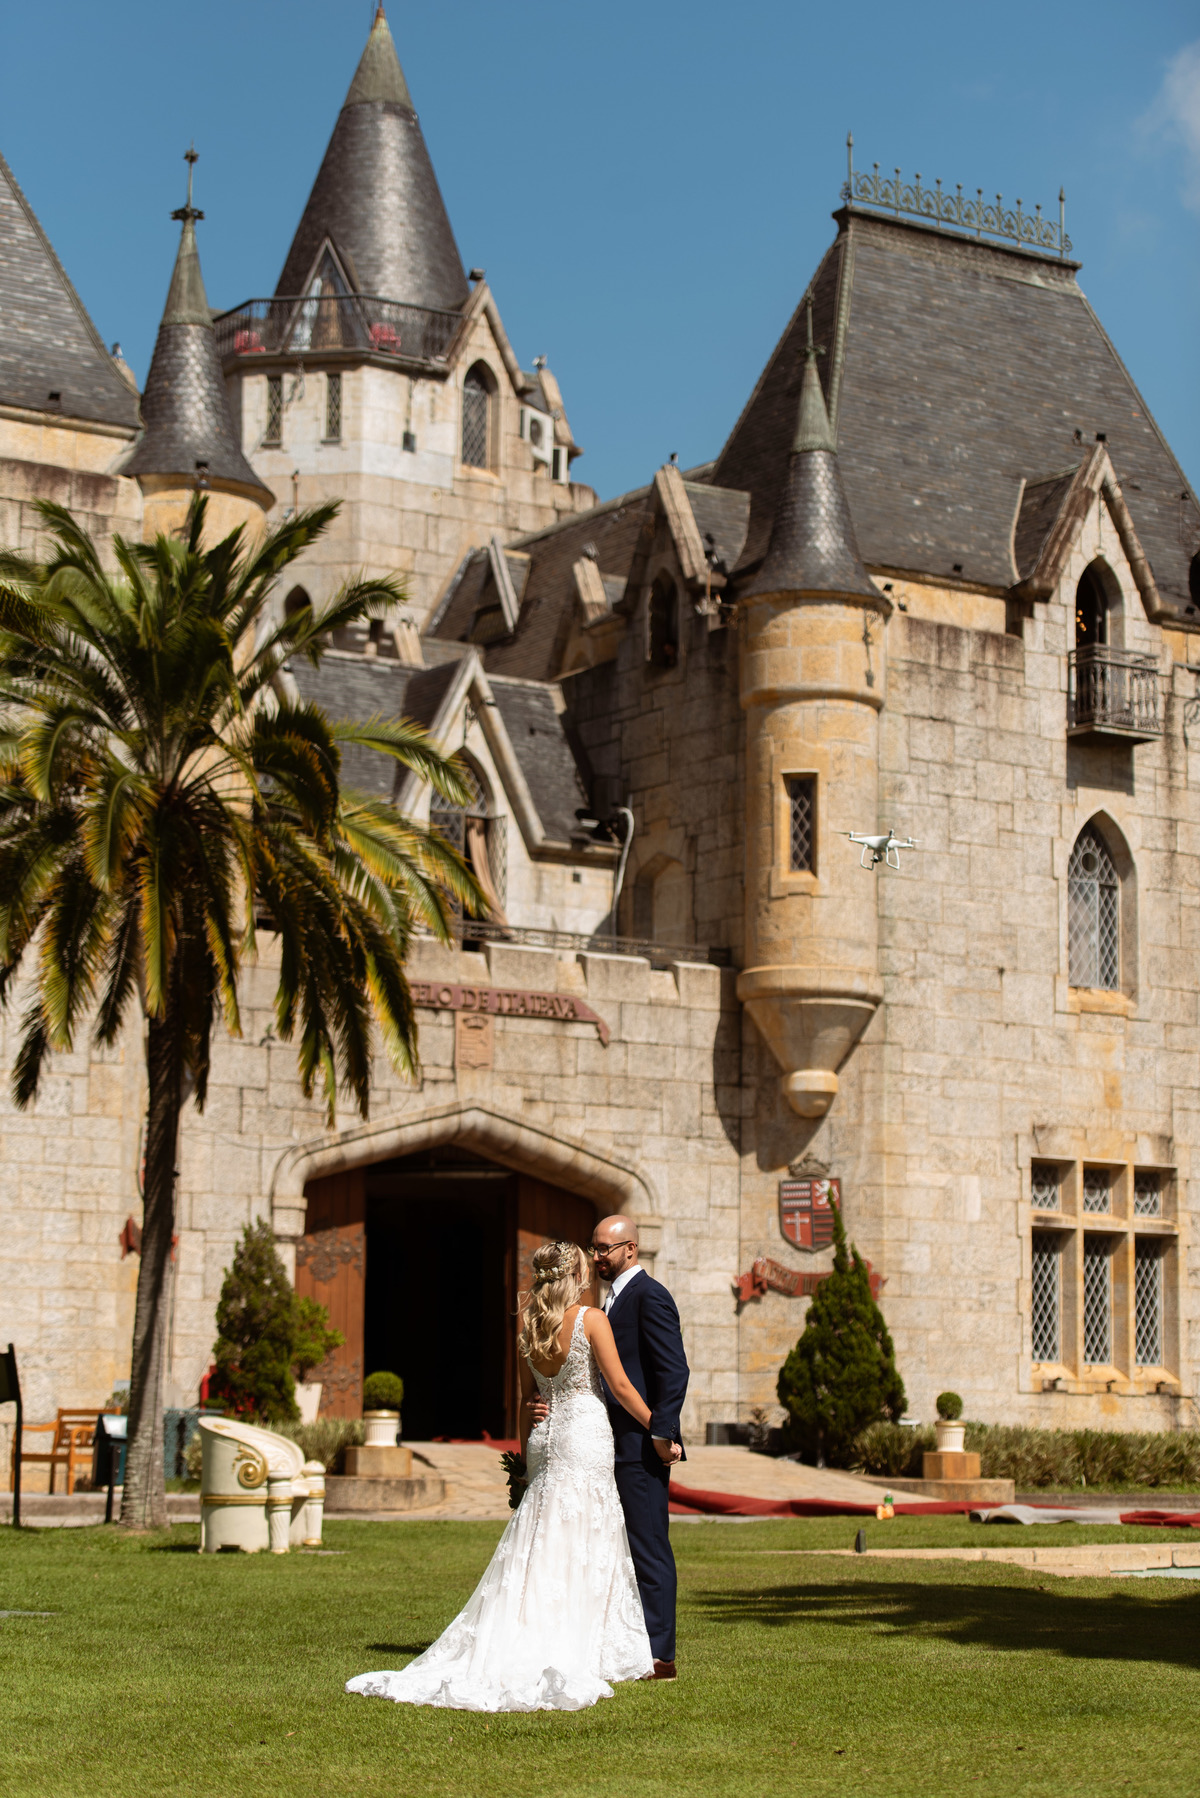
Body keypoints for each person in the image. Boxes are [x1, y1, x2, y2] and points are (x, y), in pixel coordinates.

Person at [345, 1241, 657, 1712]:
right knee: (584, 1531)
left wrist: (525, 1460)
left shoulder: (529, 1325)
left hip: (545, 1437)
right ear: (576, 1275)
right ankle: (579, 1641)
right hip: (584, 1434)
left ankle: (534, 1626)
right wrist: (660, 1426)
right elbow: (618, 1385)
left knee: (543, 1535)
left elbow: (524, 1402)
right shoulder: (591, 1319)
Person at [585, 1214, 689, 1680]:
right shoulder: (609, 1301)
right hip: (606, 1442)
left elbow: (674, 1371)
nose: (596, 1257)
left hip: (641, 1446)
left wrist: (662, 1433)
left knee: (649, 1547)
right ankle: (626, 1641)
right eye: (594, 1248)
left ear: (630, 1249)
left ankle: (660, 1656)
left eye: (604, 1249)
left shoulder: (651, 1295)